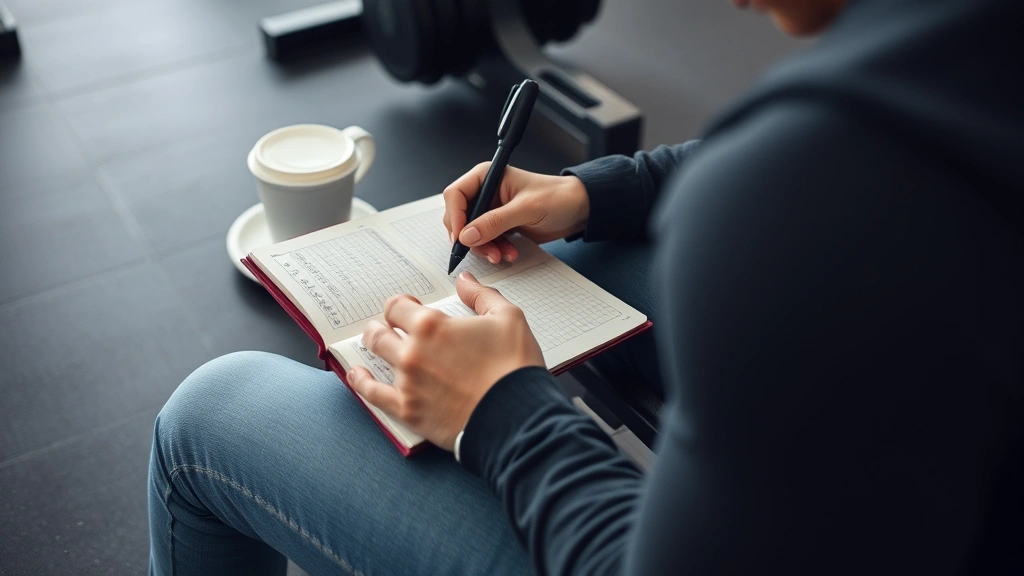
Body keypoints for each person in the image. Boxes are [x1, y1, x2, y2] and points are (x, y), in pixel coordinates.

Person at [148, 0, 1024, 574]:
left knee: (207, 414)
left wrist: (504, 414)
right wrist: (594, 193)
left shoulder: (801, 189)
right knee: (571, 266)